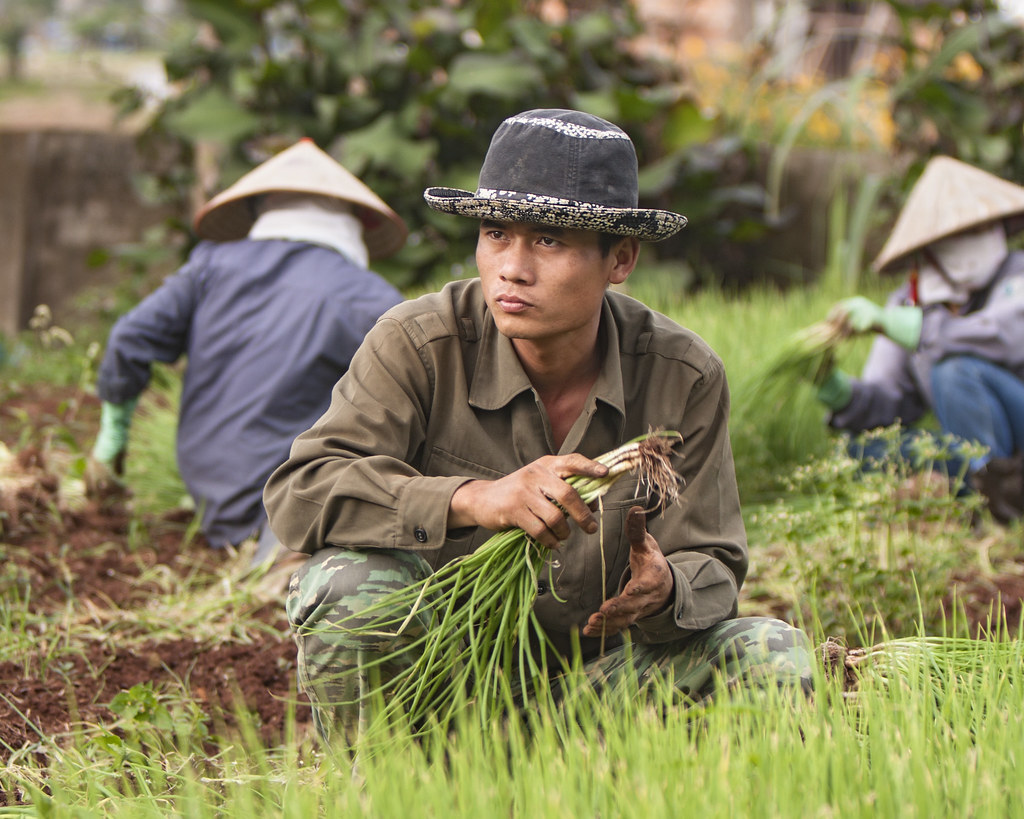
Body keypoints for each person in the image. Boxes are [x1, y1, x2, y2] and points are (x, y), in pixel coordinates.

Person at [263, 109, 814, 742]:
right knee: (347, 584)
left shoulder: (679, 375)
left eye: (549, 241)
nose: (513, 268)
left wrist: (666, 590)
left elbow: (714, 561)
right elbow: (302, 492)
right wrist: (473, 499)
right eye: (496, 234)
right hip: (438, 687)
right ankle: (389, 790)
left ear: (621, 258)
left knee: (769, 650)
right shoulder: (419, 344)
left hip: (594, 694)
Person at [88, 139, 407, 562]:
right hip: (294, 502)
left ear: (262, 209)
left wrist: (111, 439)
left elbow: (130, 338)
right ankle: (278, 556)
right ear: (353, 221)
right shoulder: (373, 300)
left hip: (209, 494)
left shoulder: (211, 265)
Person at [815, 155, 1024, 523]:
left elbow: (1007, 335)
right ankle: (978, 490)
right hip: (968, 446)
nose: (980, 240)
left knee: (955, 372)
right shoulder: (909, 301)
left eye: (983, 228)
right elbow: (891, 402)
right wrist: (841, 392)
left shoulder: (1016, 274)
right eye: (963, 234)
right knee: (862, 452)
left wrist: (914, 329)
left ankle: (999, 499)